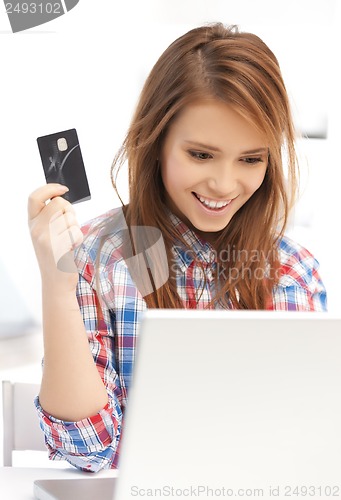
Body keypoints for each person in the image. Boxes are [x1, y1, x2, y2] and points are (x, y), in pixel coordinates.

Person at [28, 23, 327, 473]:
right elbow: (88, 446)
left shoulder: (293, 271)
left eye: (251, 159)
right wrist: (56, 285)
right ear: (157, 143)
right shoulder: (96, 257)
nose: (224, 184)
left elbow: (306, 443)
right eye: (201, 155)